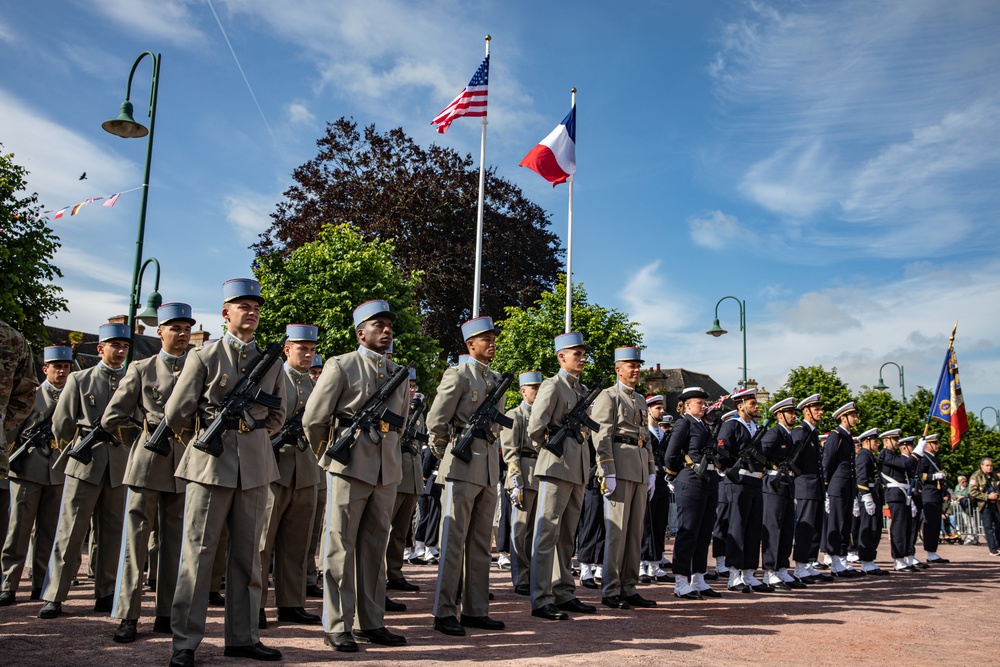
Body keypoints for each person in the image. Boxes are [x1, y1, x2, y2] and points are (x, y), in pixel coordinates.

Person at [164, 278, 286, 667]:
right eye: (242, 306)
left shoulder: (273, 362)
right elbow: (177, 414)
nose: (250, 312)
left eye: (255, 307)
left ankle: (243, 636)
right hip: (210, 466)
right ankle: (185, 641)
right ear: (225, 313)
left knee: (249, 558)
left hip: (254, 467)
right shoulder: (204, 357)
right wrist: (208, 440)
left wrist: (249, 431)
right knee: (198, 557)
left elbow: (280, 414)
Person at [303, 299, 410, 652]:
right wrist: (330, 456)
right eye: (377, 325)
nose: (386, 330)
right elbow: (314, 420)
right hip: (349, 466)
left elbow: (402, 425)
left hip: (386, 470)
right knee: (339, 548)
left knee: (375, 548)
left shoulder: (398, 373)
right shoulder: (341, 365)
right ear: (360, 332)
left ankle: (371, 622)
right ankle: (337, 625)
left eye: (388, 325)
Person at [103, 304, 195, 642]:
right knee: (136, 542)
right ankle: (128, 614)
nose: (182, 333)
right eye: (175, 327)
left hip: (184, 461)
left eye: (187, 327)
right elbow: (111, 418)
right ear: (160, 332)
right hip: (147, 462)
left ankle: (166, 612)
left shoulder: (198, 368)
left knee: (175, 544)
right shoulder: (142, 368)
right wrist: (141, 437)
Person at [39, 322, 132, 618]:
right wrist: (78, 446)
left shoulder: (133, 379)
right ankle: (55, 593)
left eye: (125, 347)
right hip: (84, 462)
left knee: (113, 532)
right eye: (114, 346)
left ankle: (106, 592)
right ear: (100, 348)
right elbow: (61, 424)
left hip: (118, 464)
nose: (120, 352)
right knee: (70, 531)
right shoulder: (80, 379)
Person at [425, 317, 507, 636]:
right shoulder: (457, 374)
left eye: (493, 338)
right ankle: (444, 610)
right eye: (486, 339)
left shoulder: (497, 379)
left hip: (487, 469)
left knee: (480, 544)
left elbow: (498, 425)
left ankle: (475, 610)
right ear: (471, 344)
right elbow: (436, 420)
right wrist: (447, 453)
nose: (492, 343)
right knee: (453, 541)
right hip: (461, 465)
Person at [526, 332, 598, 620]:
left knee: (567, 536)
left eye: (583, 354)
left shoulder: (580, 390)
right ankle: (541, 597)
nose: (582, 358)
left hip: (578, 468)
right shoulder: (552, 385)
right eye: (576, 354)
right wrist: (552, 446)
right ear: (561, 357)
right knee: (547, 534)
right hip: (556, 467)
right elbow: (535, 427)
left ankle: (564, 591)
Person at [259, 324, 323, 629]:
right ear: (288, 349)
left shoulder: (315, 385)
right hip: (274, 469)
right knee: (262, 543)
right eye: (302, 349)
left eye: (312, 350)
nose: (309, 355)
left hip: (306, 472)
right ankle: (254, 604)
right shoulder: (273, 377)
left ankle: (291, 603)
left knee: (297, 543)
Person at [593, 347, 656, 610]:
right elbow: (602, 436)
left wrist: (651, 470)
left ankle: (629, 586)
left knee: (634, 533)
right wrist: (607, 470)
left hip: (639, 466)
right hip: (619, 465)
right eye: (630, 365)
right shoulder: (609, 396)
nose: (636, 369)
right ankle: (610, 589)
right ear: (618, 369)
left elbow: (646, 436)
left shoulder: (641, 399)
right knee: (617, 532)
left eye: (638, 364)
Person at [665, 387, 727, 600]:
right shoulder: (684, 423)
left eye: (704, 402)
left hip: (709, 480)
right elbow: (670, 455)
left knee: (704, 532)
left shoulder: (705, 425)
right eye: (699, 402)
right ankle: (681, 581)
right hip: (691, 480)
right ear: (687, 405)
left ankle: (698, 578)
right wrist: (677, 474)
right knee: (688, 531)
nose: (703, 406)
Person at [0, 335, 47, 606]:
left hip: (50, 469)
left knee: (46, 532)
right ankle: (9, 581)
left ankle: (40, 584)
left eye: (66, 366)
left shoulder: (12, 340)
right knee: (17, 531)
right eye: (57, 366)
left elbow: (21, 398)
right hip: (26, 467)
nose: (62, 371)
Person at [720, 388, 769, 593]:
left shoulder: (755, 428)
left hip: (755, 482)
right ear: (740, 406)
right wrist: (730, 468)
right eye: (752, 404)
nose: (756, 407)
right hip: (738, 482)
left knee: (753, 528)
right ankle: (734, 574)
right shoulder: (731, 425)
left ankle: (749, 572)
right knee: (737, 527)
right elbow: (722, 450)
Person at [385, 367, 426, 604]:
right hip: (395, 471)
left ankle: (395, 571)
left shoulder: (417, 412)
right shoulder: (393, 407)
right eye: (407, 386)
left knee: (402, 530)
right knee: (385, 528)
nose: (411, 390)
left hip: (411, 474)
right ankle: (380, 573)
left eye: (413, 386)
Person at [500, 370, 543, 596]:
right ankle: (521, 577)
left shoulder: (543, 415)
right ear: (523, 390)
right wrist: (515, 482)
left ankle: (535, 574)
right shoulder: (514, 415)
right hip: (524, 475)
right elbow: (510, 452)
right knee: (520, 530)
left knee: (537, 530)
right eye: (533, 388)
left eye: (539, 388)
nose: (537, 392)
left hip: (541, 474)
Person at [760, 397, 804, 590]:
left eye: (795, 413)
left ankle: (782, 568)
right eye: (790, 413)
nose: (794, 416)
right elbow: (760, 455)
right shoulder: (774, 433)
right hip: (773, 484)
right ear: (780, 415)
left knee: (786, 527)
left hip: (786, 483)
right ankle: (770, 571)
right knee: (773, 527)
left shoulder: (788, 435)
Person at [822, 401, 860, 577]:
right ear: (843, 417)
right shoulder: (835, 436)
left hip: (847, 487)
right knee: (836, 525)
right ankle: (834, 560)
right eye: (852, 416)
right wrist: (826, 487)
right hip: (836, 486)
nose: (855, 418)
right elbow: (827, 462)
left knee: (845, 525)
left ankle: (843, 559)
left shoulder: (847, 436)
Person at [877, 429, 921, 571]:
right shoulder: (885, 455)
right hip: (895, 494)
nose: (897, 442)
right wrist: (916, 454)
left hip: (902, 494)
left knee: (906, 526)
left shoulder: (892, 455)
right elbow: (905, 464)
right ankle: (898, 559)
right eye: (894, 440)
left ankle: (904, 556)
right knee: (898, 527)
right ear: (886, 441)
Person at [640, 396, 672, 583]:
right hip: (646, 478)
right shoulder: (644, 431)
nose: (662, 411)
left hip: (661, 480)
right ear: (648, 410)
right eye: (658, 408)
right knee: (645, 522)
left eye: (662, 408)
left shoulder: (662, 433)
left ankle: (655, 561)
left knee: (660, 521)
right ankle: (641, 562)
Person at [304, 351, 325, 598]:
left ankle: (308, 578)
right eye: (313, 372)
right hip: (282, 466)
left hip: (314, 467)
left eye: (319, 372)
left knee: (310, 529)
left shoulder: (322, 390)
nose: (316, 376)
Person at [855, 428, 888, 575]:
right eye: (875, 441)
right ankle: (866, 561)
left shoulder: (869, 456)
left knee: (875, 529)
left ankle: (870, 560)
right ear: (866, 441)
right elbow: (861, 478)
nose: (878, 444)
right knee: (868, 529)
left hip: (874, 494)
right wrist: (865, 496)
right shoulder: (863, 456)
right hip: (867, 495)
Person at [916, 433, 950, 564]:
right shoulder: (924, 458)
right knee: (930, 524)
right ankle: (930, 552)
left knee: (935, 524)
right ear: (928, 445)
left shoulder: (935, 459)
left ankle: (933, 551)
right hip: (928, 494)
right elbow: (920, 475)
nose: (937, 445)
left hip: (936, 495)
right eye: (934, 443)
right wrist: (934, 477)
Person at [968, 458, 1000, 555]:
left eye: (991, 465)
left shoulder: (995, 475)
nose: (990, 467)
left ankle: (998, 545)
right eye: (987, 465)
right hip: (985, 505)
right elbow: (972, 492)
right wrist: (987, 496)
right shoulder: (976, 476)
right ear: (981, 466)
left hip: (996, 504)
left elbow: (998, 487)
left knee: (999, 525)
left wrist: (997, 495)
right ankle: (992, 548)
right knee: (988, 527)